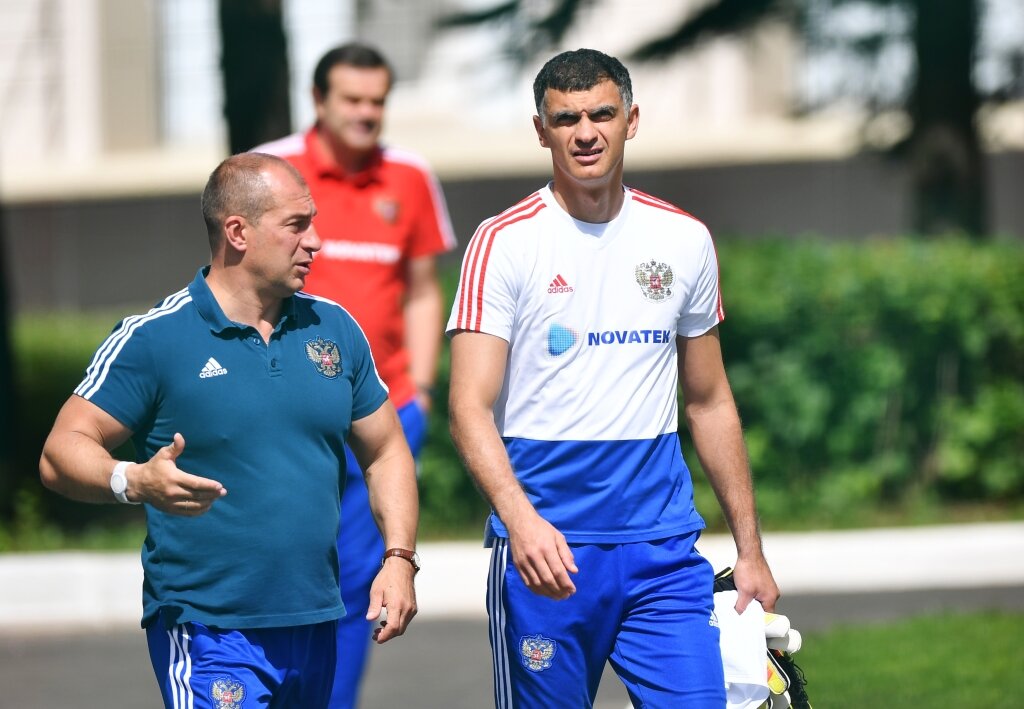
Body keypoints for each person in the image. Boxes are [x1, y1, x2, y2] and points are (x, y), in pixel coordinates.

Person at [446, 48, 780, 708]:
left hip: (662, 554)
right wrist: (521, 523)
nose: (586, 132)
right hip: (549, 555)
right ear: (541, 131)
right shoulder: (503, 241)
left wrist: (751, 549)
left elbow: (710, 401)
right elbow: (467, 408)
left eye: (601, 114)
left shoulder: (683, 238)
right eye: (565, 119)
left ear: (632, 120)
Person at [38, 153, 420, 709]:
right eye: (297, 225)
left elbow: (386, 452)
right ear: (238, 232)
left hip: (315, 623)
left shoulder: (334, 328)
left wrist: (399, 558)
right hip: (209, 630)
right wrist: (133, 480)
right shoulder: (156, 338)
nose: (316, 242)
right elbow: (60, 451)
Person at [255, 41, 455, 708]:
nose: (367, 113)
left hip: (384, 410)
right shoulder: (273, 169)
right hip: (288, 415)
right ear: (318, 99)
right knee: (282, 572)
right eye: (352, 99)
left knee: (358, 582)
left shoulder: (409, 176)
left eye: (378, 101)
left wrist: (421, 391)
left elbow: (422, 288)